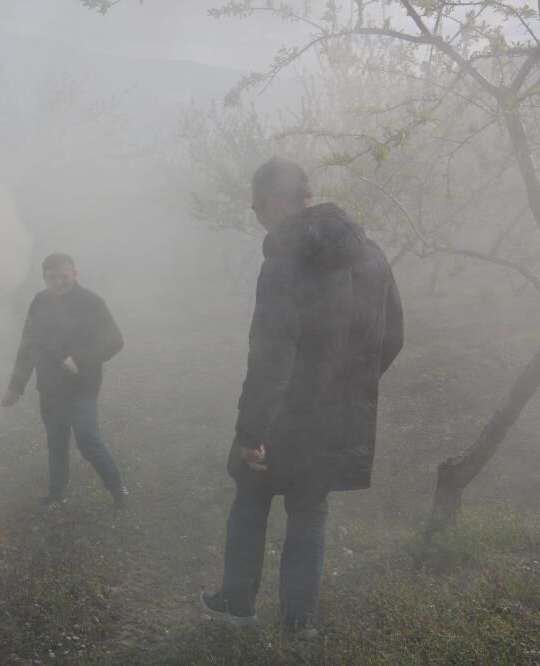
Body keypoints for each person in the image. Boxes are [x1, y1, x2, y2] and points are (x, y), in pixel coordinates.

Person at [201, 158, 404, 637]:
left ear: (273, 200)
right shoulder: (371, 253)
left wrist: (252, 431)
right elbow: (392, 337)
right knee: (309, 508)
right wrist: (349, 389)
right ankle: (299, 623)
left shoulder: (286, 260)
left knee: (251, 497)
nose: (255, 216)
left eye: (255, 206)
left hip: (283, 420)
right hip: (336, 417)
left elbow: (271, 355)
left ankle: (236, 602)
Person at [2, 253, 129, 509]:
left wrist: (79, 360)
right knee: (56, 442)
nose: (59, 282)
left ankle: (118, 490)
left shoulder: (91, 303)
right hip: (49, 388)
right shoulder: (39, 302)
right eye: (53, 278)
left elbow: (115, 341)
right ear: (44, 279)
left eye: (64, 276)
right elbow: (28, 345)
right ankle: (57, 496)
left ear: (75, 273)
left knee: (88, 442)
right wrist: (17, 385)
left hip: (82, 388)